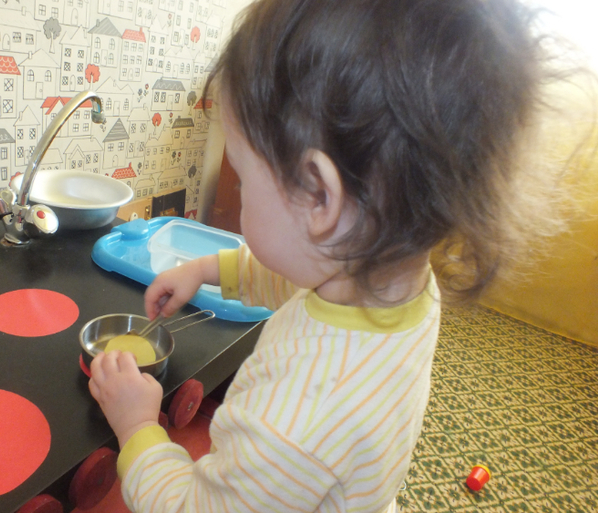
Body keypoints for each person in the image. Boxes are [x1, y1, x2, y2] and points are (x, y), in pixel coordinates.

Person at [87, 0, 574, 511]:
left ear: (320, 196)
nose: (241, 195)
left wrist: (137, 425)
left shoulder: (291, 423)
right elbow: (297, 280)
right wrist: (207, 268)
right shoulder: (398, 284)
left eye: (245, 181)